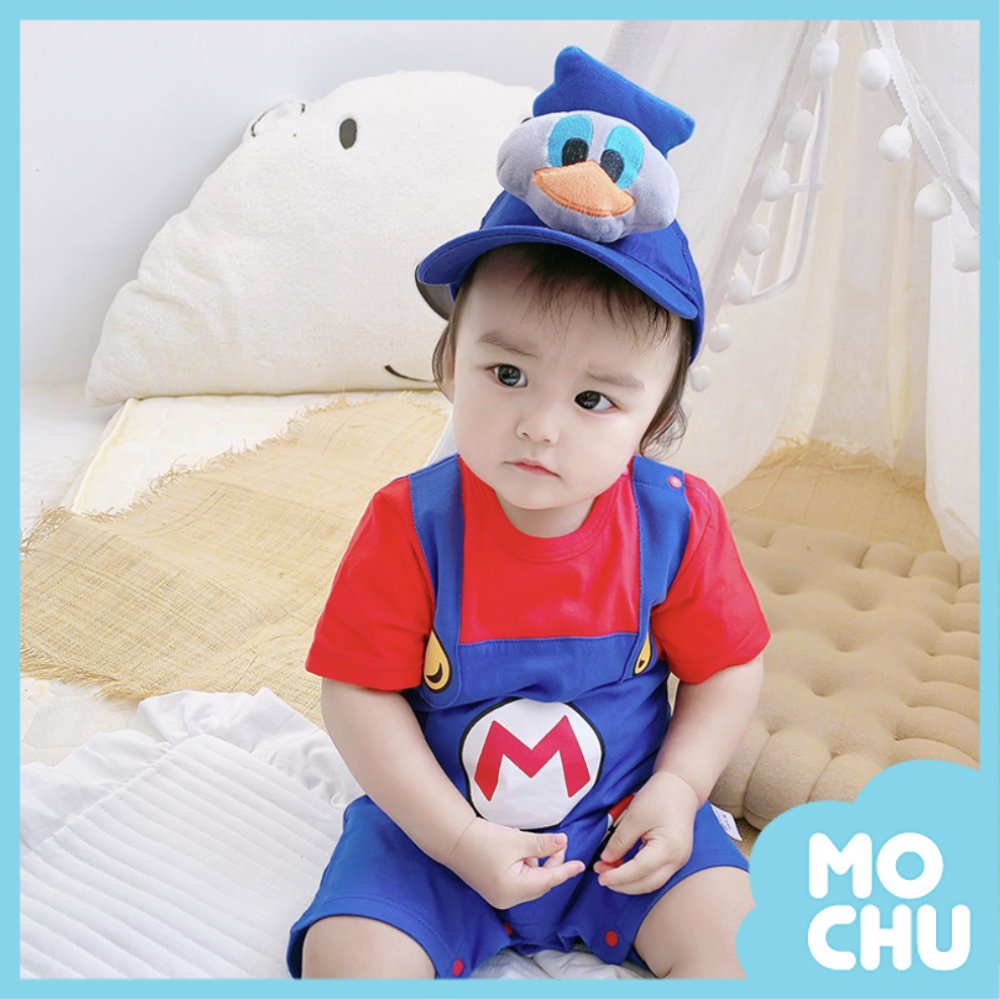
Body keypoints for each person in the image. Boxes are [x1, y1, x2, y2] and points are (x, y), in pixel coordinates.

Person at [287, 46, 770, 980]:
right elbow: (356, 694)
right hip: (436, 832)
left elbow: (725, 670)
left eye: (594, 399)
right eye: (506, 373)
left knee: (750, 950)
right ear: (450, 363)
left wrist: (679, 789)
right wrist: (457, 838)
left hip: (625, 827)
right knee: (349, 958)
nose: (540, 426)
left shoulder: (677, 523)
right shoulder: (410, 524)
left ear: (654, 421)